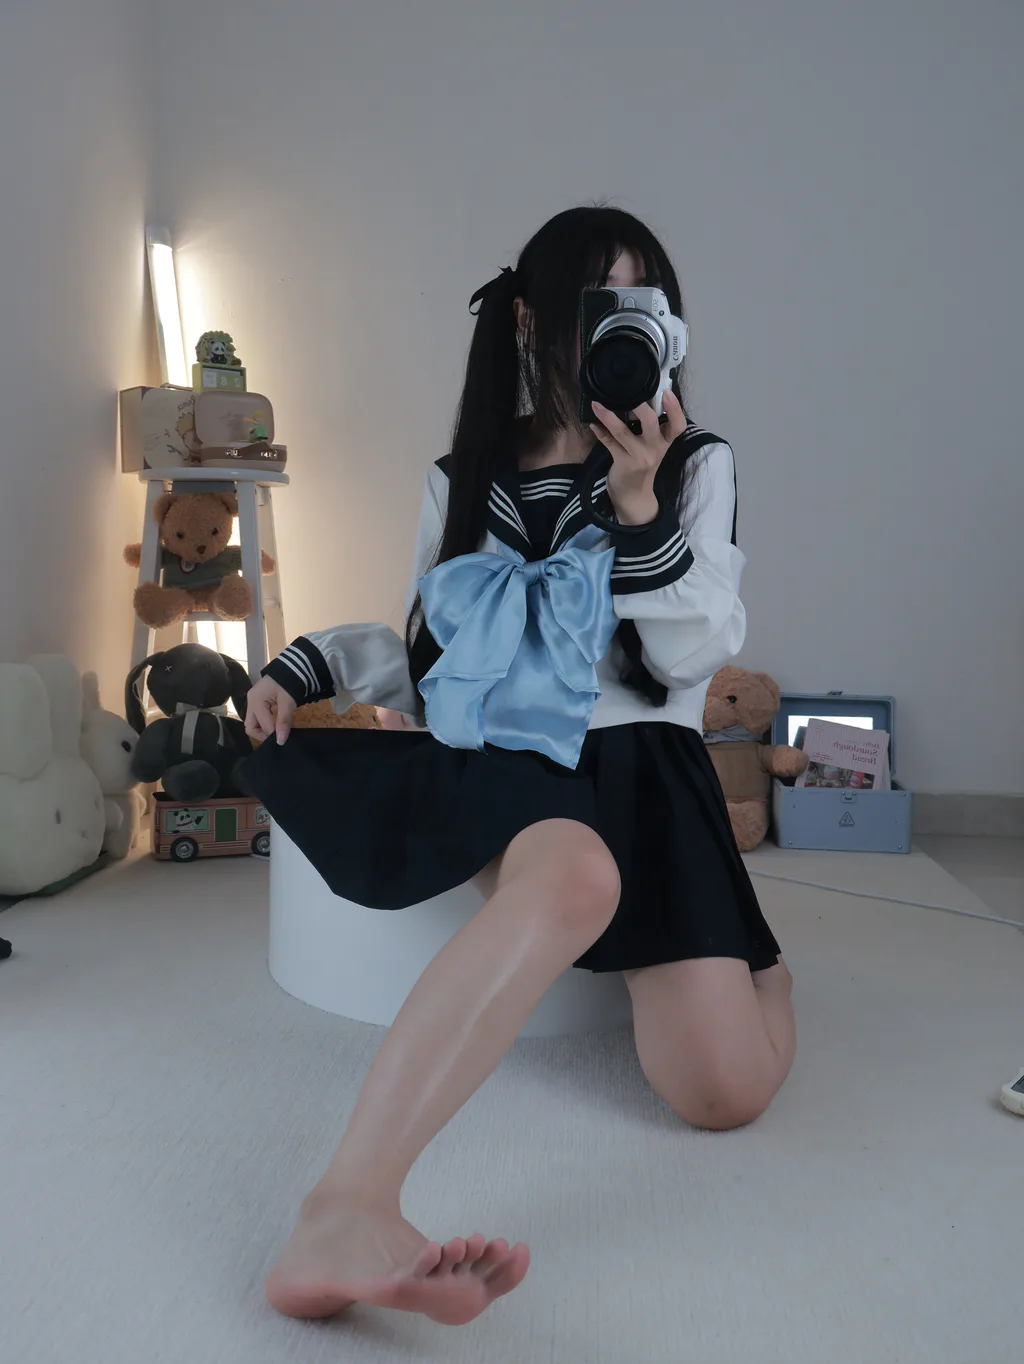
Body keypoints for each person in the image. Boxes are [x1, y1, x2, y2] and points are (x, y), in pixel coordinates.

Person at [240, 205, 796, 1328]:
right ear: (533, 321)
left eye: (642, 301)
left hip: (644, 761)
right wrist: (307, 665)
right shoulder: (463, 477)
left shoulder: (696, 460)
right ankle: (348, 1203)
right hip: (508, 757)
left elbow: (692, 653)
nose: (620, 325)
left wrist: (638, 503)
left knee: (722, 1092)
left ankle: (768, 967)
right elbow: (431, 649)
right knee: (573, 877)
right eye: (598, 302)